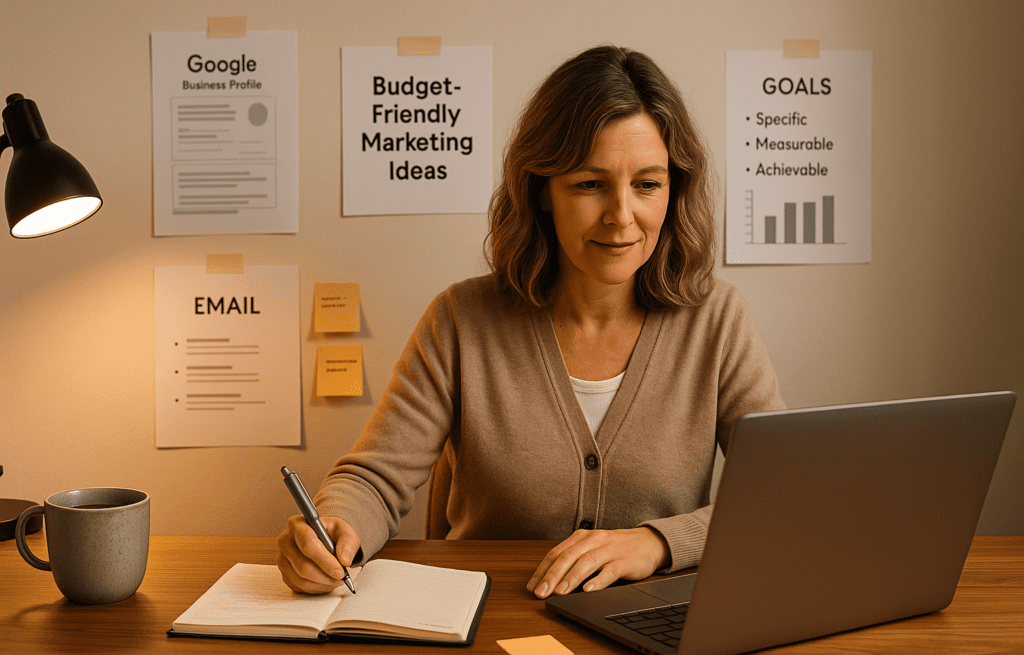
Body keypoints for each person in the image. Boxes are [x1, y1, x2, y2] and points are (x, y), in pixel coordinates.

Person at [277, 45, 784, 599]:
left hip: (653, 622)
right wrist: (334, 528)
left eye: (647, 185)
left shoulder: (718, 321)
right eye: (590, 184)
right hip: (490, 619)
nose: (621, 216)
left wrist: (657, 544)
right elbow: (374, 479)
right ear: (542, 189)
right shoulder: (461, 320)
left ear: (673, 188)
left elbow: (782, 493)